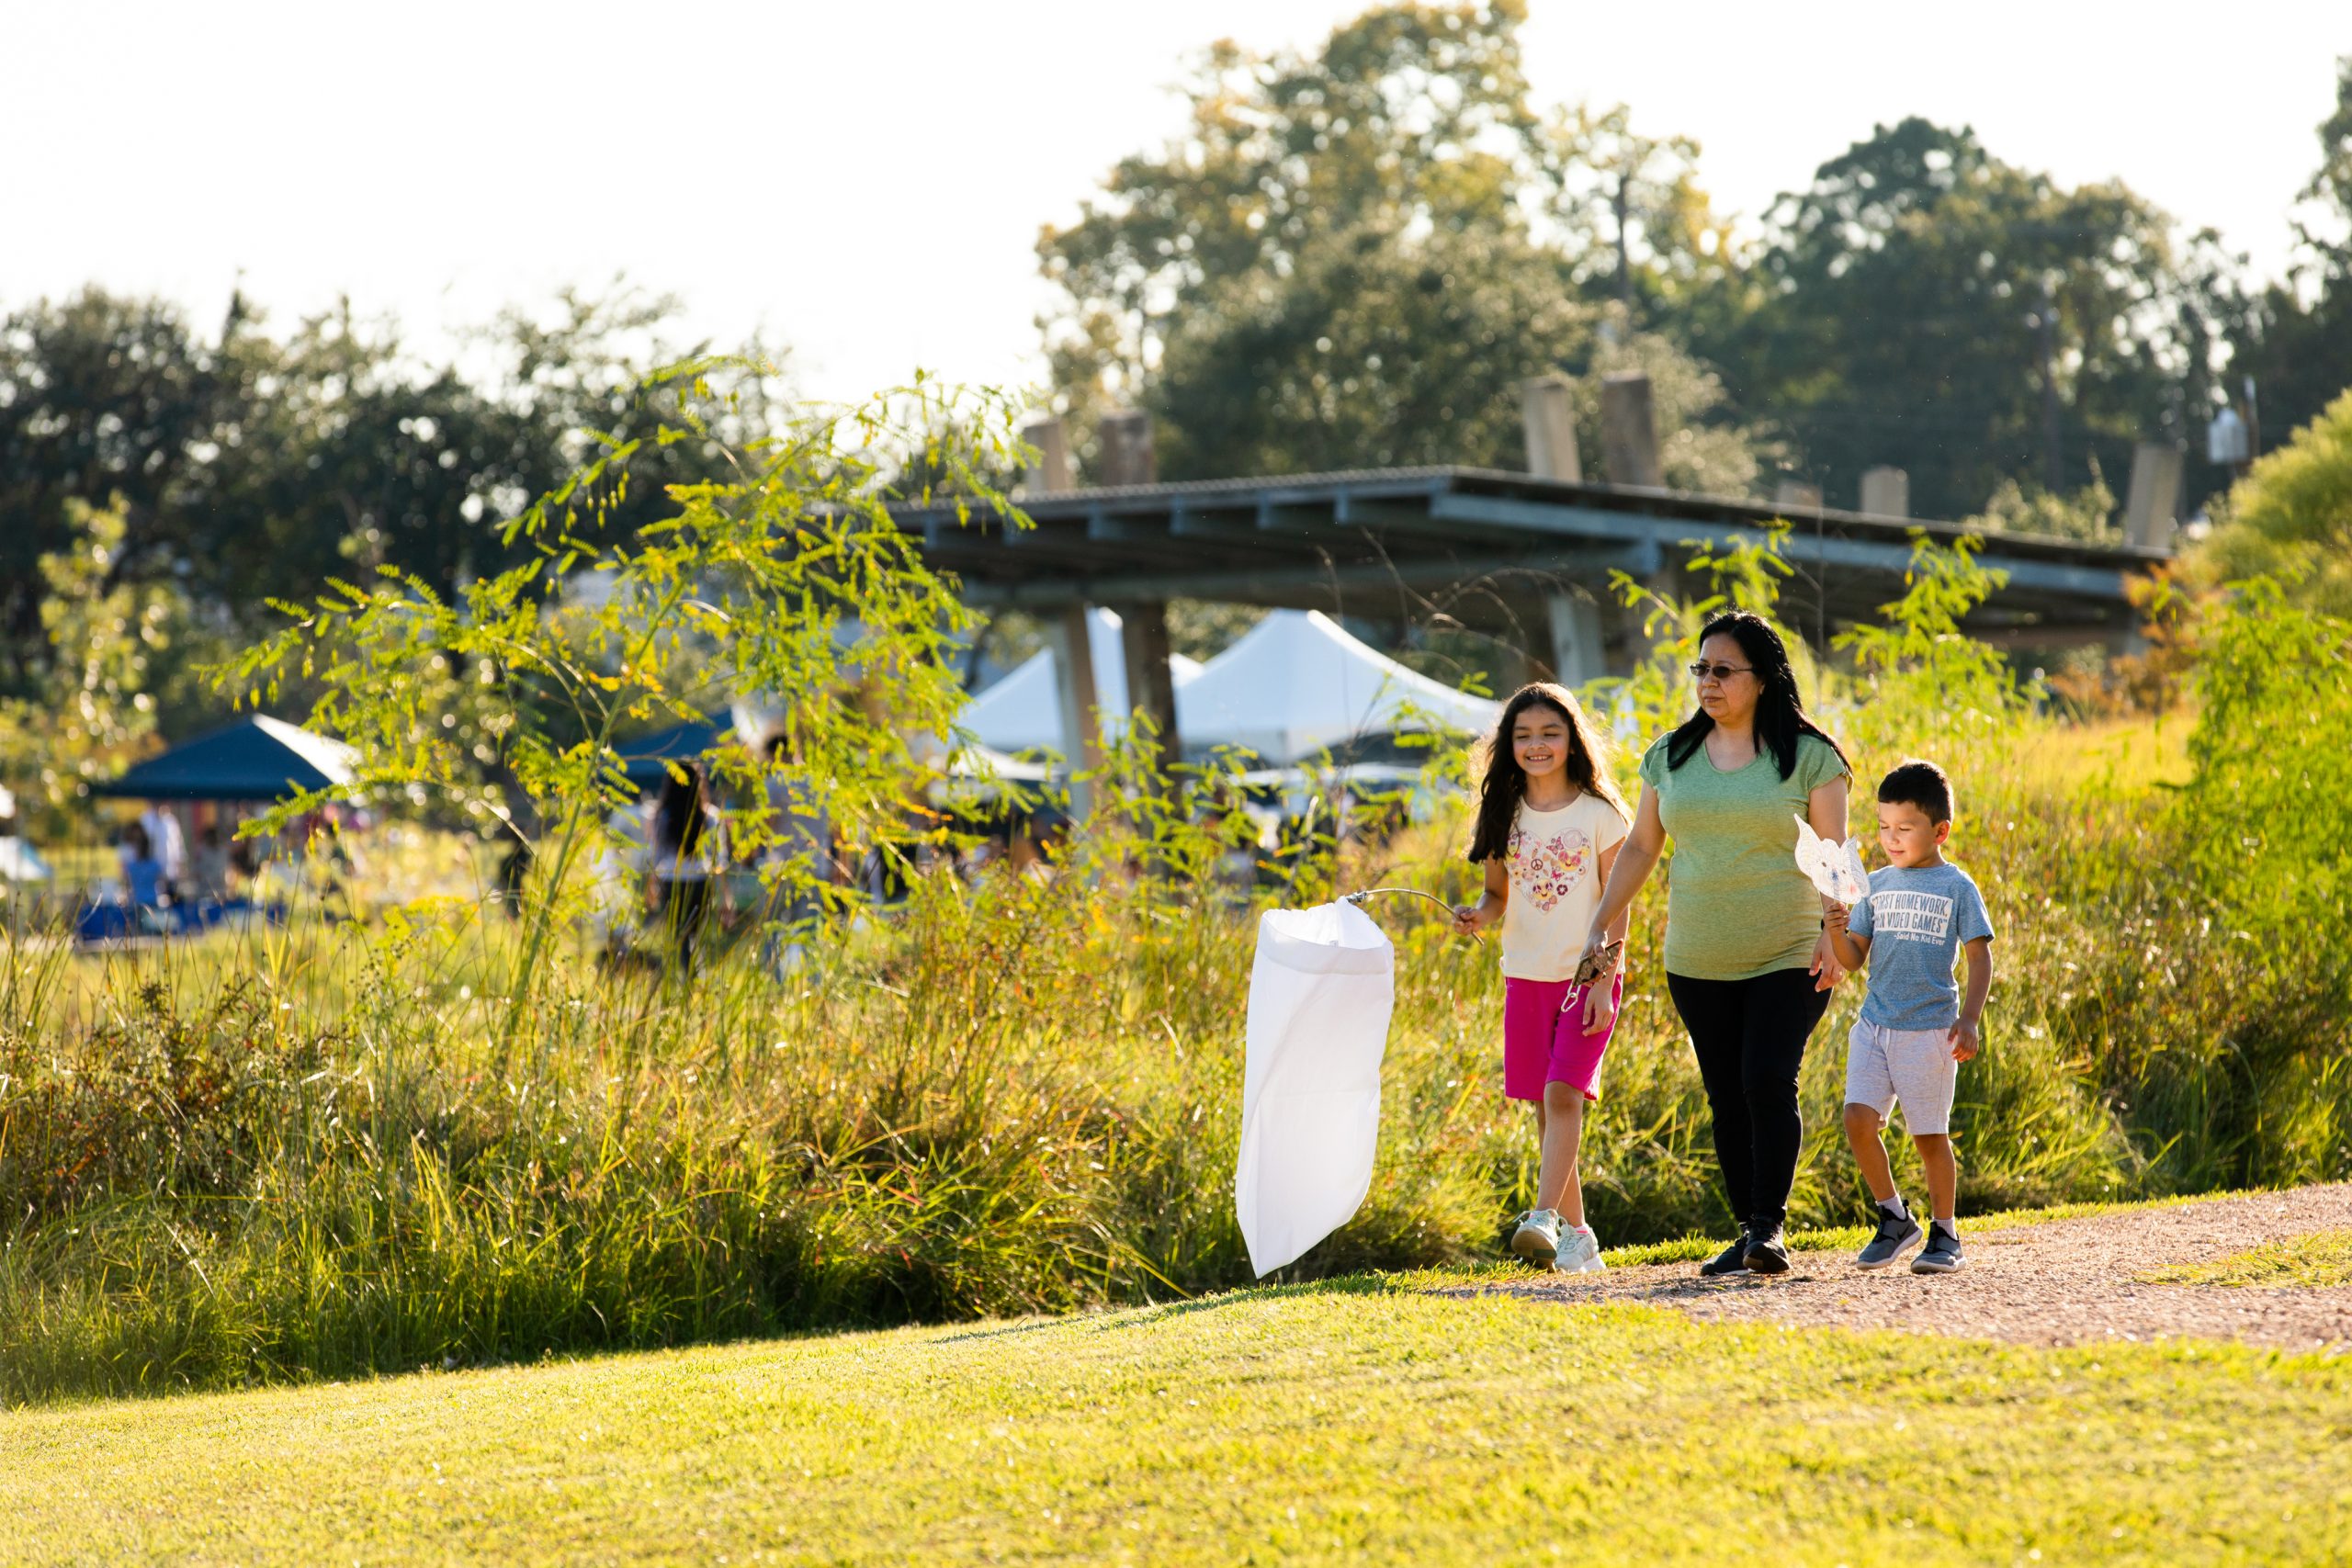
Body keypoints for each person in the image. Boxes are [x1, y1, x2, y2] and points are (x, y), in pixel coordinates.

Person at [1580, 611, 1852, 1277]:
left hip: (1787, 948)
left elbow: (1835, 855)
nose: (1708, 680)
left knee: (1766, 1076)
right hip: (1697, 958)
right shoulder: (1669, 755)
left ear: (1761, 680)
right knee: (1727, 1093)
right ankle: (1747, 1230)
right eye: (1701, 668)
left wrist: (1833, 932)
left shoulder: (1812, 757)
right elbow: (1643, 845)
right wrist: (1603, 918)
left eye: (1723, 670)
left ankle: (1769, 1226)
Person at [1452, 682, 1633, 1275]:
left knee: (1562, 1095)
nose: (1537, 745)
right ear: (1508, 745)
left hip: (1587, 974)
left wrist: (1605, 980)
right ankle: (1578, 1236)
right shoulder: (1503, 813)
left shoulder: (1601, 815)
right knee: (1546, 1107)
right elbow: (1497, 892)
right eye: (1523, 735)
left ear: (1573, 740)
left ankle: (1542, 1218)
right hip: (1525, 975)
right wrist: (1479, 913)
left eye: (1550, 733)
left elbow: (1619, 901)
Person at [1823, 760, 1996, 1275]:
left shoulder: (1957, 886)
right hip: (1875, 1025)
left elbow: (1979, 957)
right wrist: (1835, 927)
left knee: (1928, 1136)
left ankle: (1945, 1234)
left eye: (1905, 828)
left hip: (1930, 1031)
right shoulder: (1872, 885)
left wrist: (1969, 1018)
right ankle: (1894, 1219)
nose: (1891, 839)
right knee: (1858, 1119)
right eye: (1882, 827)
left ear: (1940, 830)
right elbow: (1853, 959)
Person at [649, 761, 723, 976]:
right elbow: (719, 858)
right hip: (700, 880)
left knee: (677, 935)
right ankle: (693, 976)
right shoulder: (710, 816)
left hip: (670, 881)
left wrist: (651, 887)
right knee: (694, 935)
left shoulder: (660, 815)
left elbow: (655, 855)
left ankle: (687, 976)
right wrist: (724, 894)